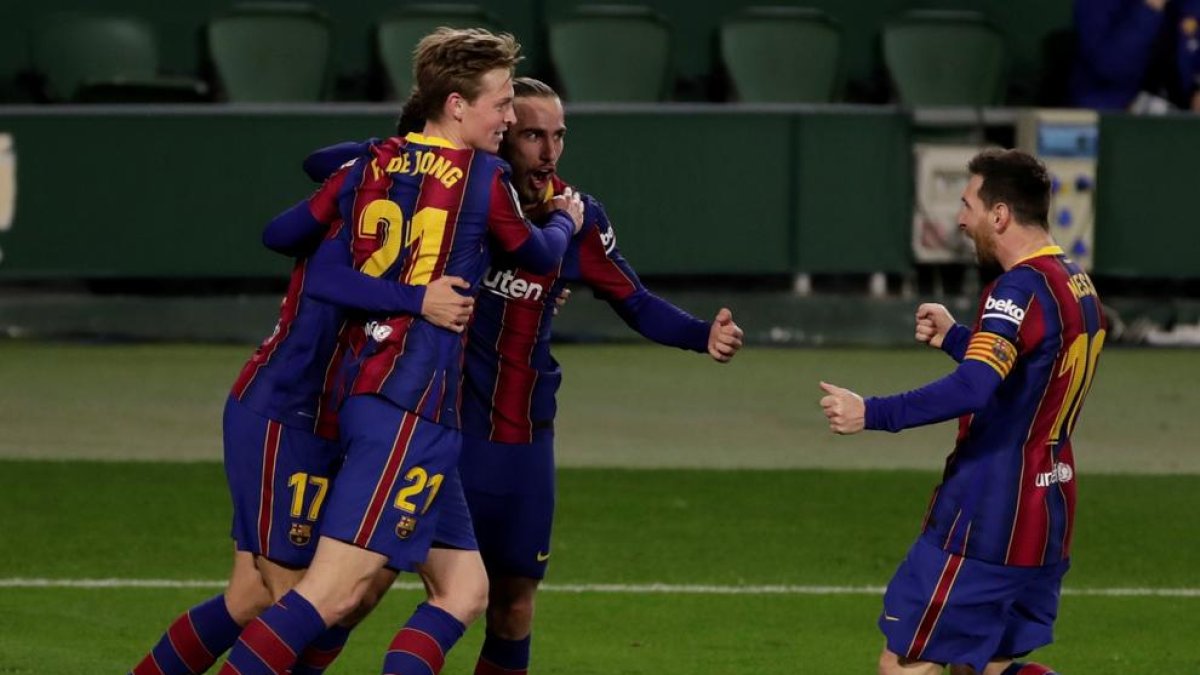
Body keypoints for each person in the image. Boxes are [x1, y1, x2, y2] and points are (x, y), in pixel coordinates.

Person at [216, 27, 583, 675]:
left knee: (466, 588)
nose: (509, 115)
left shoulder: (377, 163)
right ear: (455, 105)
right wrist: (565, 220)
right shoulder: (485, 175)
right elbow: (542, 254)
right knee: (327, 595)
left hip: (408, 405)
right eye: (501, 102)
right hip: (404, 403)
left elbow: (288, 230)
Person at [128, 142, 475, 675]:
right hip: (284, 412)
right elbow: (305, 222)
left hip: (342, 419)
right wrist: (381, 154)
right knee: (299, 598)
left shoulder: (421, 228)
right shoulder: (354, 216)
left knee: (278, 599)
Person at [820, 149, 1105, 675]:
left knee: (906, 663)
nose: (959, 218)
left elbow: (975, 388)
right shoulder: (1075, 283)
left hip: (990, 513)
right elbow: (1028, 373)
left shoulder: (1017, 287)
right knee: (986, 664)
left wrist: (871, 412)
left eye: (967, 204)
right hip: (1049, 508)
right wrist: (957, 337)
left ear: (999, 215)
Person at [1070, 0, 1200, 111]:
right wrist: (1151, 7)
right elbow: (1111, 67)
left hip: (1179, 117)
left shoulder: (1191, 5)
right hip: (1110, 115)